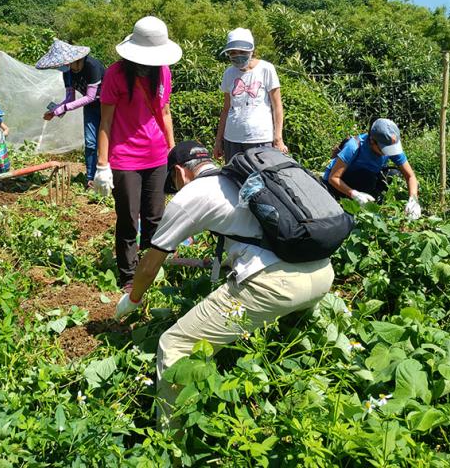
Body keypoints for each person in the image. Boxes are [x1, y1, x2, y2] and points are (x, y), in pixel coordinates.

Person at [114, 141, 335, 426]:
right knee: (278, 339)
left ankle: (169, 444)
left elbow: (149, 264)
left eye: (173, 182)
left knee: (174, 345)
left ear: (180, 173)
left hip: (277, 286)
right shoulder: (242, 179)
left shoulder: (192, 194)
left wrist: (133, 299)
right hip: (322, 273)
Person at [93, 16, 180, 287]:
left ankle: (152, 268)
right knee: (129, 218)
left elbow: (165, 112)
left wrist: (173, 151)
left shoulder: (163, 71)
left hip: (157, 155)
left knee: (155, 217)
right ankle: (129, 276)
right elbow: (105, 121)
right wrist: (102, 165)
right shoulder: (115, 74)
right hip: (125, 158)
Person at [37, 40, 105, 187]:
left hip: (108, 106)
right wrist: (54, 111)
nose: (62, 67)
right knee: (91, 142)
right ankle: (91, 179)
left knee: (110, 141)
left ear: (73, 59)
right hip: (91, 107)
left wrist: (63, 109)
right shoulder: (67, 73)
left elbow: (90, 96)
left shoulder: (91, 66)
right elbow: (70, 98)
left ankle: (111, 175)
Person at [213, 28, 287, 163]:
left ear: (251, 51)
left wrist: (278, 138)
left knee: (261, 179)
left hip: (260, 138)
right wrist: (219, 141)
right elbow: (226, 109)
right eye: (233, 53)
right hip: (232, 138)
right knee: (234, 180)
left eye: (242, 52)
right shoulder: (229, 73)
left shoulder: (266, 69)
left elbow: (277, 106)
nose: (237, 56)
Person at [323, 118, 421, 219]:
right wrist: (354, 194)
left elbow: (410, 176)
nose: (388, 153)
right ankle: (351, 204)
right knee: (367, 178)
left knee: (394, 174)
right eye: (384, 149)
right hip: (339, 181)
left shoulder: (390, 145)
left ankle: (374, 202)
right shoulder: (354, 146)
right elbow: (333, 178)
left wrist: (413, 200)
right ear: (372, 141)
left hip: (366, 177)